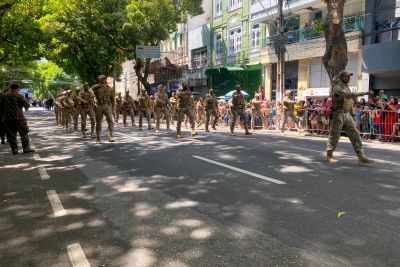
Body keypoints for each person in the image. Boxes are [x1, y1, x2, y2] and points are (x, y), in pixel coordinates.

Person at [326, 70, 374, 164]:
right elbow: (348, 95)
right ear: (341, 77)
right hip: (338, 114)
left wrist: (351, 113)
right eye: (346, 76)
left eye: (349, 76)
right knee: (335, 135)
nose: (348, 78)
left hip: (347, 114)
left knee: (355, 134)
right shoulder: (337, 87)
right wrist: (364, 93)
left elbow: (350, 101)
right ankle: (329, 155)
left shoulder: (347, 87)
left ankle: (361, 156)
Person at [0, 84, 35, 154]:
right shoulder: (18, 96)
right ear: (17, 89)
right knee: (23, 132)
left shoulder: (4, 96)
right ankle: (26, 148)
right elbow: (27, 104)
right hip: (18, 117)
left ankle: (14, 150)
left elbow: (1, 107)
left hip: (8, 118)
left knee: (11, 134)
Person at [91, 75, 115, 143]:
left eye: (104, 79)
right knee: (99, 122)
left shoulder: (109, 88)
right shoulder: (95, 87)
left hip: (107, 106)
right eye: (102, 79)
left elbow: (112, 98)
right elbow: (90, 90)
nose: (103, 80)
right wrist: (99, 86)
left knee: (111, 121)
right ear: (99, 79)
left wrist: (113, 108)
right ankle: (98, 138)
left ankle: (110, 136)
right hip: (98, 106)